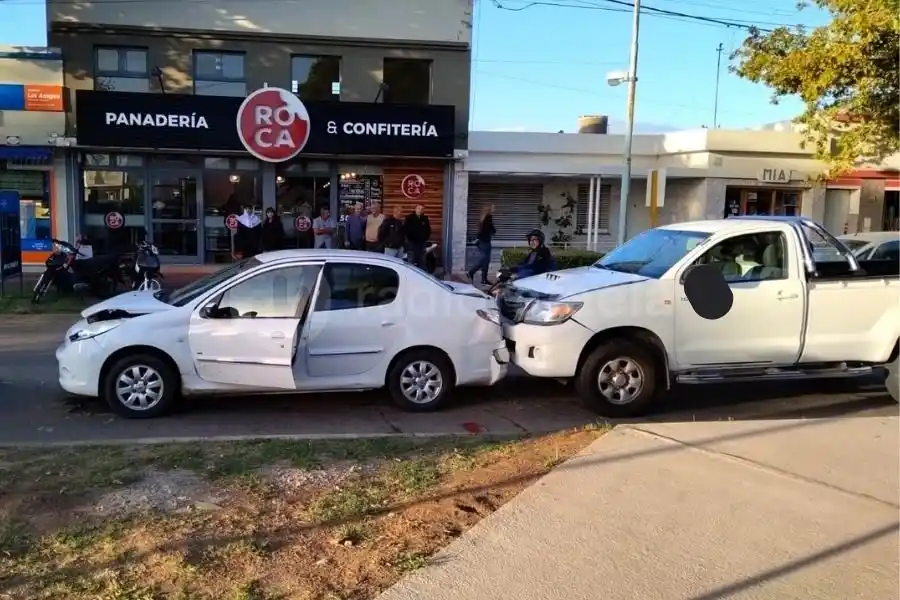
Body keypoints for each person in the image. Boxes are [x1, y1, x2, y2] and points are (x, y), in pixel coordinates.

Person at [468, 204, 496, 285]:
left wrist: (477, 239)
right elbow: (490, 229)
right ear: (489, 210)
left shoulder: (483, 218)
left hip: (481, 242)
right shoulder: (488, 218)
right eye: (493, 208)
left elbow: (482, 230)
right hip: (485, 242)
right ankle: (471, 272)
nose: (495, 209)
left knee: (485, 260)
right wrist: (494, 231)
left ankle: (484, 279)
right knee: (485, 260)